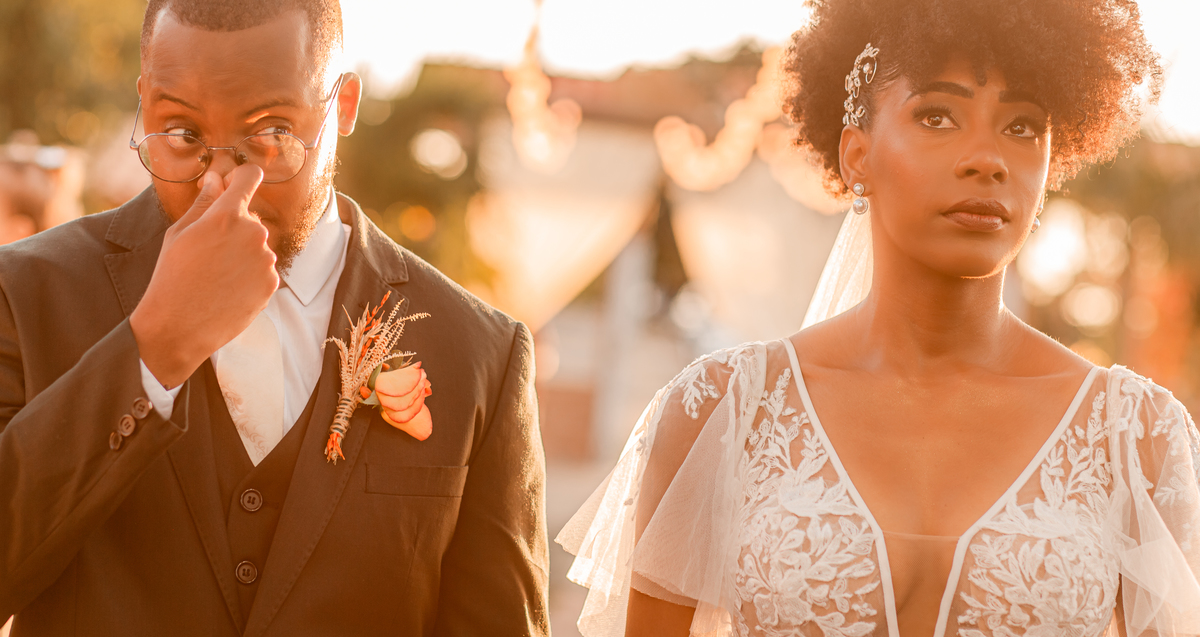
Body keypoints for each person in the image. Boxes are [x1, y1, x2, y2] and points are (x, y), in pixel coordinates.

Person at [558, 0, 1200, 636]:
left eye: (1023, 126)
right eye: (937, 115)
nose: (988, 158)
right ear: (856, 155)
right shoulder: (721, 412)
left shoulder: (1137, 436)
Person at [0, 0, 550, 635]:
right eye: (182, 135)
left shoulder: (480, 352)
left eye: (270, 134)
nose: (221, 184)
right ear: (144, 103)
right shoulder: (26, 293)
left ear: (343, 105)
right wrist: (154, 348)